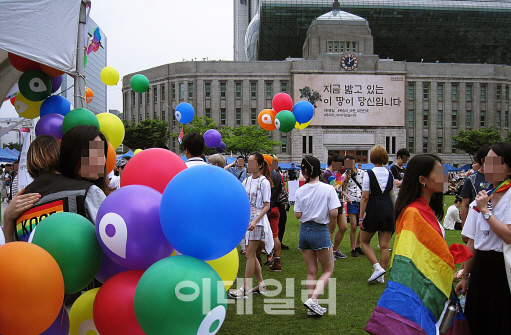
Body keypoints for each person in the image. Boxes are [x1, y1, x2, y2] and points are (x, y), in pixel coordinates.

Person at [366, 154, 453, 334]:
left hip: (431, 281)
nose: (445, 177)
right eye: (439, 172)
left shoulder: (429, 210)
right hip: (421, 284)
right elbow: (409, 257)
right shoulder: (413, 212)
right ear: (422, 180)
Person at [456, 142, 511, 334]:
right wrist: (465, 275)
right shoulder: (481, 198)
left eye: (496, 162)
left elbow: (509, 236)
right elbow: (472, 242)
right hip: (481, 268)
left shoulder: (507, 198)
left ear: (509, 168)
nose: (489, 167)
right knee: (477, 319)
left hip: (503, 267)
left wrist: (486, 212)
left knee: (500, 319)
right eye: (486, 162)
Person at [294, 156, 338, 317]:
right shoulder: (328, 189)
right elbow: (334, 212)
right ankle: (313, 300)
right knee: (328, 269)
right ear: (319, 170)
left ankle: (312, 306)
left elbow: (298, 215)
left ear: (304, 171)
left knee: (311, 271)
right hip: (320, 230)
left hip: (304, 231)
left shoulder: (300, 190)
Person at [229, 152, 272, 299]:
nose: (249, 164)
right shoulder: (247, 180)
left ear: (260, 165)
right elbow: (238, 195)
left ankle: (245, 288)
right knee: (250, 254)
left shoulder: (264, 182)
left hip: (257, 222)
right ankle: (261, 284)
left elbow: (267, 206)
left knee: (249, 255)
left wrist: (255, 221)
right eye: (249, 162)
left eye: (252, 162)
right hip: (248, 221)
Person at [359, 145, 394, 283]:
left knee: (364, 241)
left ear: (372, 157)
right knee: (385, 245)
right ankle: (382, 274)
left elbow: (365, 197)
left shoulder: (369, 173)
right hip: (388, 208)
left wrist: (361, 216)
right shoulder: (390, 173)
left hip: (374, 208)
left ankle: (377, 267)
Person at [322, 154, 348, 260]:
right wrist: (342, 179)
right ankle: (329, 253)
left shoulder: (336, 173)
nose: (341, 166)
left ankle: (335, 250)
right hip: (331, 204)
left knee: (343, 227)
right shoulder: (326, 174)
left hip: (339, 202)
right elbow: (332, 189)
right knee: (331, 229)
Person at [342, 155, 365, 257]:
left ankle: (357, 245)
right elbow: (340, 188)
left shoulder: (362, 173)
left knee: (362, 225)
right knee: (353, 226)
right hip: (352, 201)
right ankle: (352, 248)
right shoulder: (343, 175)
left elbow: (366, 186)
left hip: (362, 200)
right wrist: (347, 197)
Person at [263, 154, 282, 271]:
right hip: (274, 208)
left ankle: (258, 261)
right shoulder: (277, 175)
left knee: (258, 238)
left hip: (262, 210)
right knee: (275, 236)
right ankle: (277, 262)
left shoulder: (260, 176)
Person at [272, 154, 290, 250]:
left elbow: (283, 185)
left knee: (282, 220)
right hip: (274, 201)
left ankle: (279, 241)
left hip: (280, 200)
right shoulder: (268, 174)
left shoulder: (278, 173)